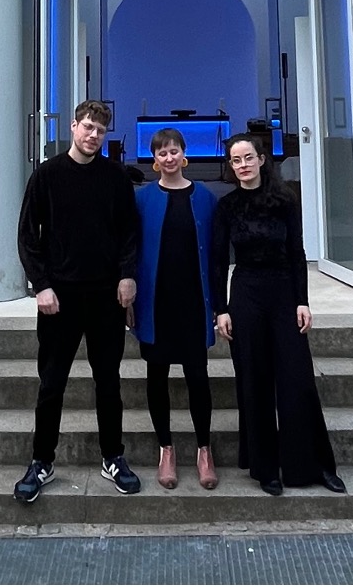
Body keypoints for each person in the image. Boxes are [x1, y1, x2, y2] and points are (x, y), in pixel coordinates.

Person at [13, 99, 143, 501]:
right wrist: (41, 285)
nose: (93, 135)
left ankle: (113, 456)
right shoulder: (47, 175)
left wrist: (127, 275)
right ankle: (41, 461)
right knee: (52, 384)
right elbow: (27, 237)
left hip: (105, 295)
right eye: (88, 127)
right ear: (73, 127)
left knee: (109, 382)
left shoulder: (116, 177)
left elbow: (129, 232)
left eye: (100, 131)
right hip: (60, 298)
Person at [210, 130, 345, 495]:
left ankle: (312, 466)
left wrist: (303, 300)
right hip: (246, 294)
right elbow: (218, 262)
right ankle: (265, 468)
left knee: (297, 380)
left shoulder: (285, 201)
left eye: (248, 158)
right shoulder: (228, 207)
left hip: (284, 292)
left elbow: (297, 253)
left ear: (261, 159)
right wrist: (220, 310)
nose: (242, 166)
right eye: (235, 160)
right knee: (253, 380)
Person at [132, 127, 219, 490]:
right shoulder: (141, 199)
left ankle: (204, 449)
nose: (168, 158)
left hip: (193, 302)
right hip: (156, 301)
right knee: (157, 377)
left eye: (174, 151)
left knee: (198, 377)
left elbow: (215, 257)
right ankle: (166, 448)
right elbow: (132, 250)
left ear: (185, 156)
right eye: (161, 153)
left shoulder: (206, 199)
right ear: (154, 161)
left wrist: (219, 303)